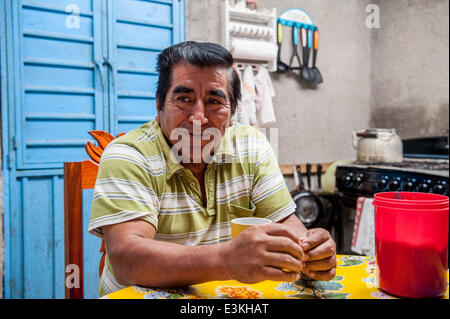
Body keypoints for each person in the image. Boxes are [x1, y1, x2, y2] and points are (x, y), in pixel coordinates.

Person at [88, 41, 336, 296]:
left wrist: (309, 247)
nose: (198, 117)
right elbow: (128, 260)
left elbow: (283, 221)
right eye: (183, 99)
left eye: (214, 101)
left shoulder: (251, 145)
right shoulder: (128, 154)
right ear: (159, 106)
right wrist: (227, 260)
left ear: (231, 116)